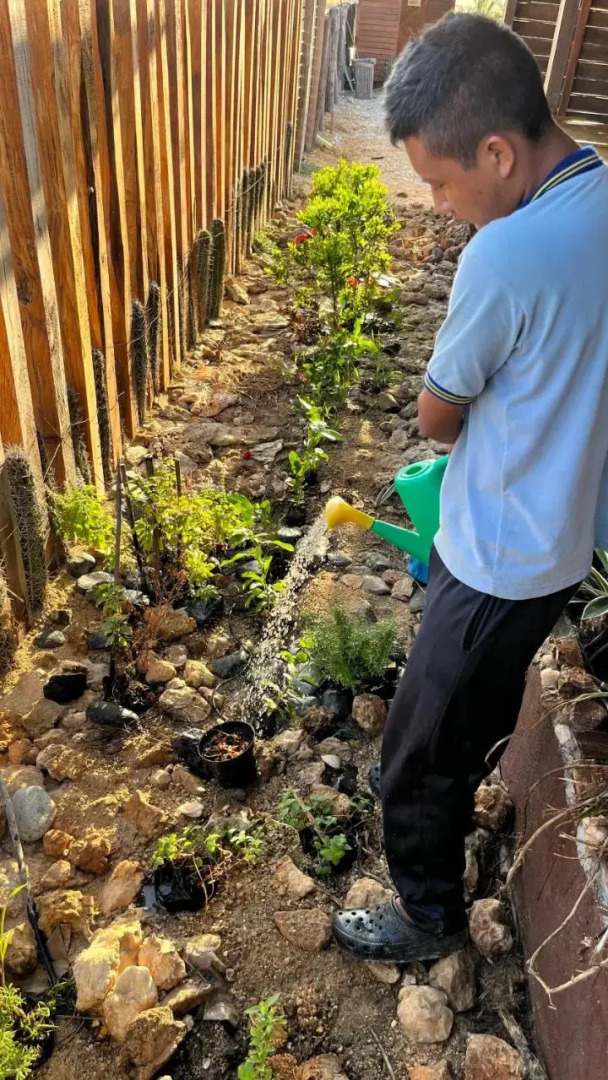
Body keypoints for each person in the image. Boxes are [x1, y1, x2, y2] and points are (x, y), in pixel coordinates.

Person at [332, 12, 608, 963]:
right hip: (562, 543)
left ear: (496, 152)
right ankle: (465, 765)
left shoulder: (506, 253)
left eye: (442, 185)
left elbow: (436, 416)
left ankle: (429, 917)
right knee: (469, 703)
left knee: (411, 754)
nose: (443, 207)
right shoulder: (602, 196)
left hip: (497, 553)